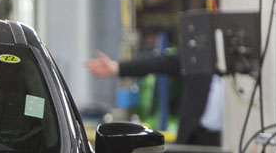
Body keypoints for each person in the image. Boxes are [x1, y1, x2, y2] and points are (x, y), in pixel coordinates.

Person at [85, 50, 222, 146]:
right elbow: (158, 63)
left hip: (223, 139)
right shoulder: (199, 58)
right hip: (195, 138)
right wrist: (117, 67)